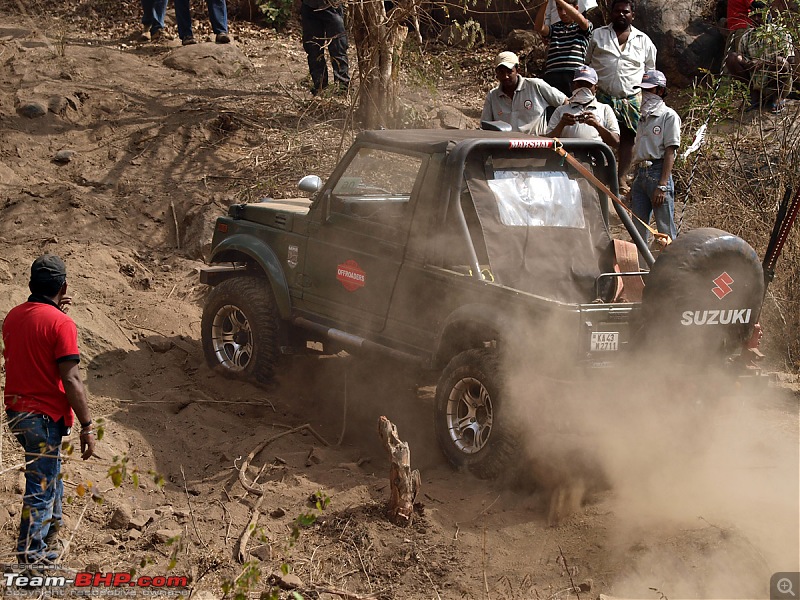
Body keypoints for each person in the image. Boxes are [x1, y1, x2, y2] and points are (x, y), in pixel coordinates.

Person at [3, 255, 96, 568]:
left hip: (17, 413)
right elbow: (70, 379)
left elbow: (34, 348)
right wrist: (87, 425)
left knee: (50, 479)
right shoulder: (62, 323)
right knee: (41, 489)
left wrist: (57, 313)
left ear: (31, 284)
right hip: (42, 418)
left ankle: (48, 551)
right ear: (64, 286)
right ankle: (32, 564)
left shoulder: (13, 316)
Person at [586, 0, 656, 190]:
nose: (621, 15)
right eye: (617, 11)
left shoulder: (644, 40)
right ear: (611, 13)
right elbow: (586, 64)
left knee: (628, 138)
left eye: (625, 12)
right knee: (599, 136)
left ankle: (621, 178)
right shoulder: (598, 35)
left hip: (631, 98)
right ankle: (598, 177)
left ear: (632, 15)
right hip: (602, 97)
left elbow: (650, 73)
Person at [628, 70, 681, 246]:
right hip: (640, 173)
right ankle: (640, 268)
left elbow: (670, 152)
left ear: (659, 90)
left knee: (665, 229)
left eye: (649, 90)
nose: (645, 95)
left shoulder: (668, 116)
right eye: (643, 90)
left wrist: (663, 185)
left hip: (658, 171)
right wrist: (634, 179)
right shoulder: (643, 118)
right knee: (637, 228)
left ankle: (672, 269)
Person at [726, 0, 795, 112]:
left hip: (777, 82)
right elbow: (741, 56)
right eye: (754, 16)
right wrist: (747, 63)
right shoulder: (747, 37)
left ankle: (777, 96)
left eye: (759, 15)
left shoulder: (781, 34)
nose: (757, 19)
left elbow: (790, 60)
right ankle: (754, 96)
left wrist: (763, 63)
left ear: (767, 15)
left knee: (780, 61)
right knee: (732, 58)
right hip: (756, 82)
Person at [481, 51, 567, 135]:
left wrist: (555, 129)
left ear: (517, 70)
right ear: (497, 73)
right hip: (506, 147)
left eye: (509, 71)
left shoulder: (535, 86)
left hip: (537, 146)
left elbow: (564, 102)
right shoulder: (492, 96)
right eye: (501, 72)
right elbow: (485, 126)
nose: (505, 76)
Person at [546, 65, 620, 147]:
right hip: (567, 157)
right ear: (573, 86)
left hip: (595, 157)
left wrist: (597, 125)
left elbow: (616, 141)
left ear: (595, 88)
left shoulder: (605, 109)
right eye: (580, 84)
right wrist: (562, 124)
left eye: (588, 85)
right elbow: (548, 141)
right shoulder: (561, 110)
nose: (583, 89)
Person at [535, 0, 593, 96]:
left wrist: (560, 1)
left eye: (565, 9)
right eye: (559, 9)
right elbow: (539, 28)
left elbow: (583, 22)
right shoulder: (554, 28)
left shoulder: (582, 26)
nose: (563, 13)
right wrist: (544, 4)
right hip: (552, 76)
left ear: (576, 8)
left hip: (574, 76)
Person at [301, 0, 351, 95]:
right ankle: (320, 88)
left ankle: (342, 90)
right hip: (309, 7)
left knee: (338, 49)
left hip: (332, 6)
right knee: (313, 49)